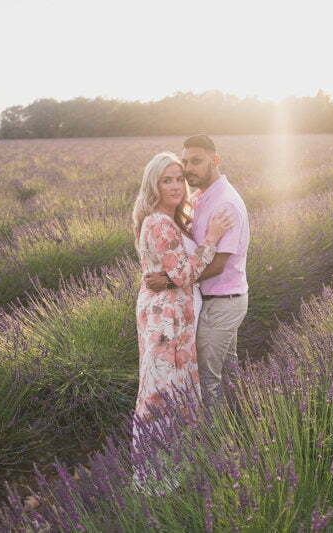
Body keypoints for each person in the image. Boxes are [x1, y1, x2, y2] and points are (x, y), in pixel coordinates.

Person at [131, 152, 233, 492]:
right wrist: (212, 238)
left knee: (166, 388)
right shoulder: (159, 222)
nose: (176, 185)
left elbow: (174, 273)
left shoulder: (165, 220)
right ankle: (158, 480)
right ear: (153, 185)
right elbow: (186, 272)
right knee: (165, 390)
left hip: (171, 316)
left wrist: (172, 277)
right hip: (167, 321)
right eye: (167, 180)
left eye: (179, 179)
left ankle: (169, 472)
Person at [145, 135, 250, 409]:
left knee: (207, 378)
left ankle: (217, 441)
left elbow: (218, 264)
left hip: (222, 303)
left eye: (197, 161)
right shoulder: (202, 198)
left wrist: (169, 281)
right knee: (227, 373)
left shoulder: (224, 203)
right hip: (215, 302)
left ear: (215, 160)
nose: (189, 168)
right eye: (185, 162)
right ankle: (241, 428)